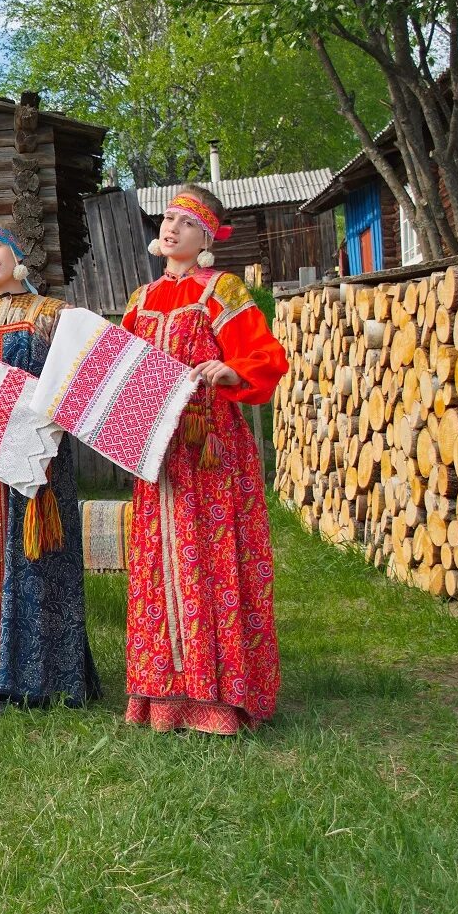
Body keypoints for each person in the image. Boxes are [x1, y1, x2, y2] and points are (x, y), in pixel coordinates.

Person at [123, 184, 288, 734]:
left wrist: (231, 371)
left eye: (186, 223)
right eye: (166, 220)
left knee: (211, 557)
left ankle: (219, 695)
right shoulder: (139, 300)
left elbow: (264, 354)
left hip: (208, 446)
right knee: (159, 561)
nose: (171, 229)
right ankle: (160, 694)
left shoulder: (223, 290)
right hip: (158, 454)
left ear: (208, 237)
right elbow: (121, 371)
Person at [0, 224, 101, 711]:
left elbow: (83, 369)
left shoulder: (52, 314)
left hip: (39, 456)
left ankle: (45, 676)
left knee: (36, 557)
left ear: (18, 255)